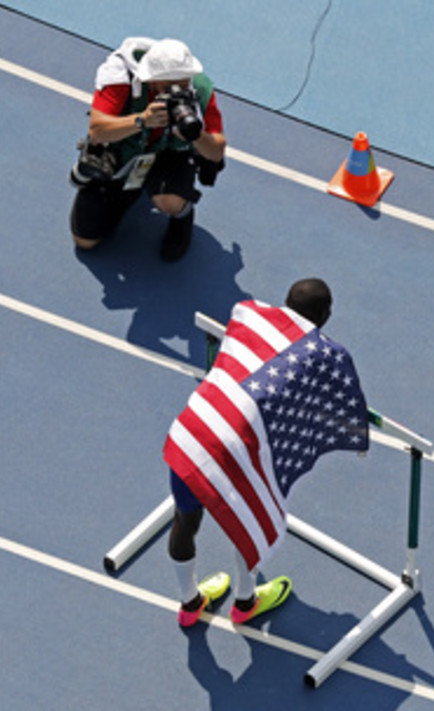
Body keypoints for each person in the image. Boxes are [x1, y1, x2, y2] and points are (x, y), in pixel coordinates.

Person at [167, 278, 347, 628]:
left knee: (184, 521)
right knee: (248, 522)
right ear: (325, 315)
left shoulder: (248, 314)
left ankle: (190, 603)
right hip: (232, 453)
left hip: (191, 435)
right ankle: (245, 602)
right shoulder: (320, 356)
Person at [70, 37, 226, 261]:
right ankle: (130, 188)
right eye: (167, 86)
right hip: (125, 152)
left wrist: (195, 136)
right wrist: (141, 121)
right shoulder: (120, 77)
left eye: (182, 84)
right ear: (150, 80)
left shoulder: (200, 88)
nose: (176, 92)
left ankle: (182, 215)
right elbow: (97, 131)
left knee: (169, 202)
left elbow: (216, 152)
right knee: (86, 240)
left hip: (169, 154)